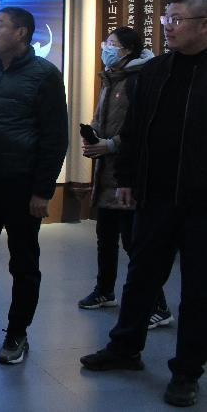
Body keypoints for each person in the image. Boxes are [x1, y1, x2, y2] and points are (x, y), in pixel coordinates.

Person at [80, 0, 207, 408]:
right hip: (155, 195)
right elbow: (134, 130)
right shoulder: (155, 71)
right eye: (167, 18)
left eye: (178, 20)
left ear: (204, 25)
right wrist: (127, 179)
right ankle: (124, 347)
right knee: (141, 276)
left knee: (198, 289)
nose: (168, 26)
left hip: (201, 204)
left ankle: (186, 371)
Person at [0, 6, 68, 365]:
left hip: (21, 184)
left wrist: (43, 190)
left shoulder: (45, 75)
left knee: (23, 263)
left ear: (21, 33)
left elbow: (55, 137)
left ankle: (17, 333)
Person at [77, 27, 174, 328]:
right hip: (106, 172)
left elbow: (139, 129)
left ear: (128, 50)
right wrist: (94, 138)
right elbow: (101, 119)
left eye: (112, 44)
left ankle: (158, 305)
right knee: (105, 238)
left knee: (135, 244)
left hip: (128, 175)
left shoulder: (138, 79)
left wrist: (110, 145)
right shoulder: (111, 78)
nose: (105, 48)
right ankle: (104, 291)